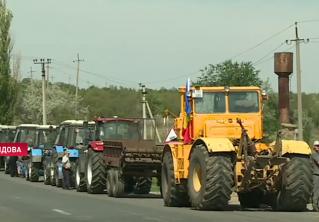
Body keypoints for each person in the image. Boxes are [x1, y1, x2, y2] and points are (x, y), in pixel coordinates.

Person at [312, 140, 319, 212]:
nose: (318, 147)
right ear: (314, 147)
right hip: (316, 174)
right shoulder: (314, 154)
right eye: (316, 146)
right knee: (316, 190)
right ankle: (315, 206)